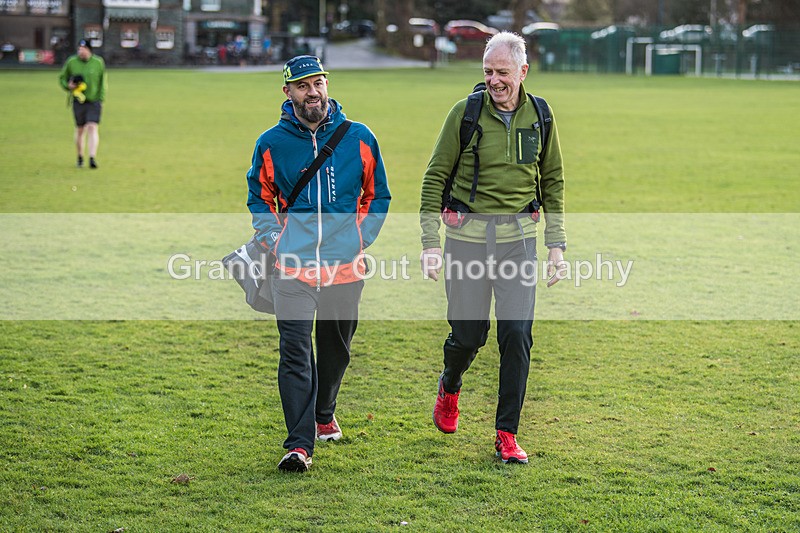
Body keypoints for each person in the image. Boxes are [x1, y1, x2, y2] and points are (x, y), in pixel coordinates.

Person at [419, 32, 567, 464]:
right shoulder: (464, 113)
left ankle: (507, 434)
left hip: (518, 244)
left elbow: (552, 180)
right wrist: (430, 243)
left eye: (503, 72)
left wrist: (556, 245)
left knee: (517, 335)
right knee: (469, 336)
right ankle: (450, 384)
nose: (494, 80)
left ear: (523, 71)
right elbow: (434, 177)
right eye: (488, 72)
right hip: (466, 243)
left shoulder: (541, 115)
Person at [246, 55, 391, 472]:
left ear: (327, 84)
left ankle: (324, 410)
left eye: (318, 82)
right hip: (292, 269)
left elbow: (377, 194)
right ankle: (299, 445)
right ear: (288, 92)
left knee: (335, 350)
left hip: (345, 268)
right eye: (303, 85)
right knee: (294, 352)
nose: (313, 92)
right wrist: (274, 240)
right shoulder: (271, 143)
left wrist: (360, 238)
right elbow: (260, 197)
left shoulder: (359, 136)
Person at [58, 39, 107, 169]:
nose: (80, 51)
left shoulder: (98, 62)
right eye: (79, 49)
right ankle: (80, 156)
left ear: (89, 50)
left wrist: (101, 99)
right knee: (80, 129)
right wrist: (68, 86)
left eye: (83, 49)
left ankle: (92, 157)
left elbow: (103, 82)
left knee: (92, 127)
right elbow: (62, 78)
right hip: (78, 101)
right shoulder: (71, 62)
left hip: (94, 100)